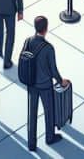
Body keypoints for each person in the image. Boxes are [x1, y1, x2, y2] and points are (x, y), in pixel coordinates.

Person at [23, 16, 69, 151]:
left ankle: (31, 143)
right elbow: (53, 70)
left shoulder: (28, 41)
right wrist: (62, 81)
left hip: (31, 84)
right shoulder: (48, 48)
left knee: (32, 113)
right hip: (44, 85)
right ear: (46, 29)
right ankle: (49, 137)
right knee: (49, 112)